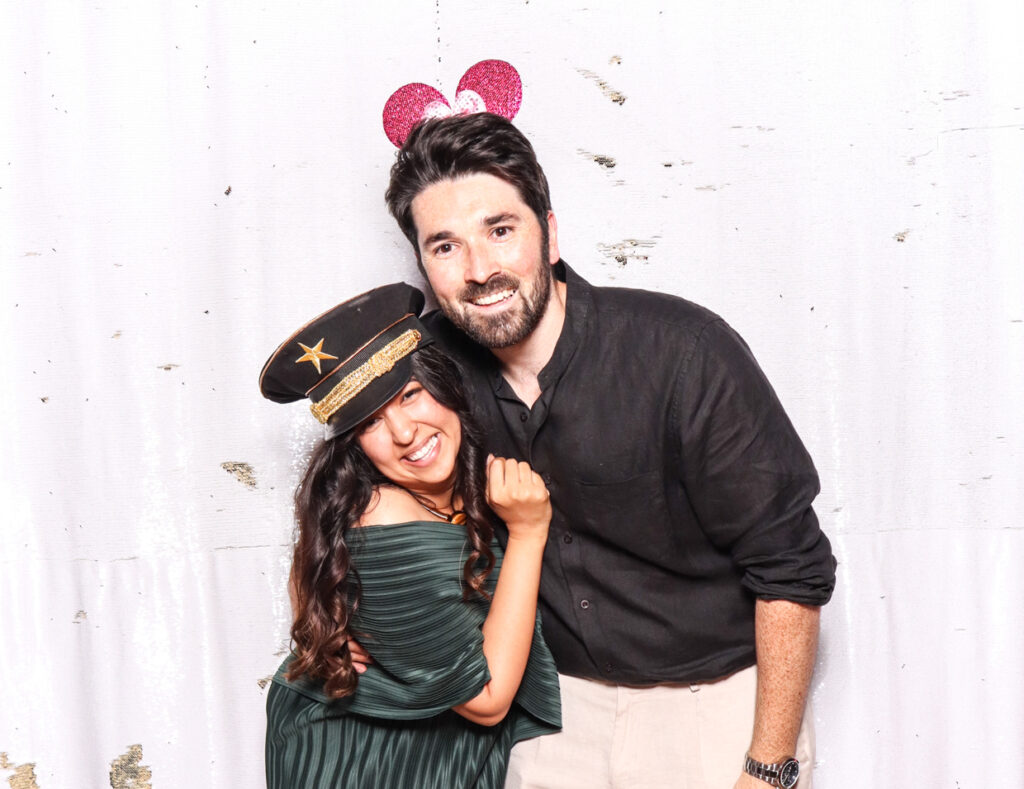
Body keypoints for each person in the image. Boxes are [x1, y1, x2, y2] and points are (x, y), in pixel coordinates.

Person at [375, 112, 837, 789]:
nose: (479, 270)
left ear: (550, 234)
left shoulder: (682, 355)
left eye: (500, 231)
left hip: (715, 707)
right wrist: (352, 617)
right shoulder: (429, 379)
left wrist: (767, 765)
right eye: (444, 247)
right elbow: (354, 472)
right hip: (556, 713)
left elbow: (792, 570)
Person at [259, 283, 561, 788]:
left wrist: (326, 615)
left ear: (443, 385)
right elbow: (487, 702)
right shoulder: (383, 516)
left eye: (410, 396)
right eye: (370, 423)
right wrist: (529, 533)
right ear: (354, 447)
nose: (404, 433)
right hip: (365, 765)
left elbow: (317, 556)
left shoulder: (463, 479)